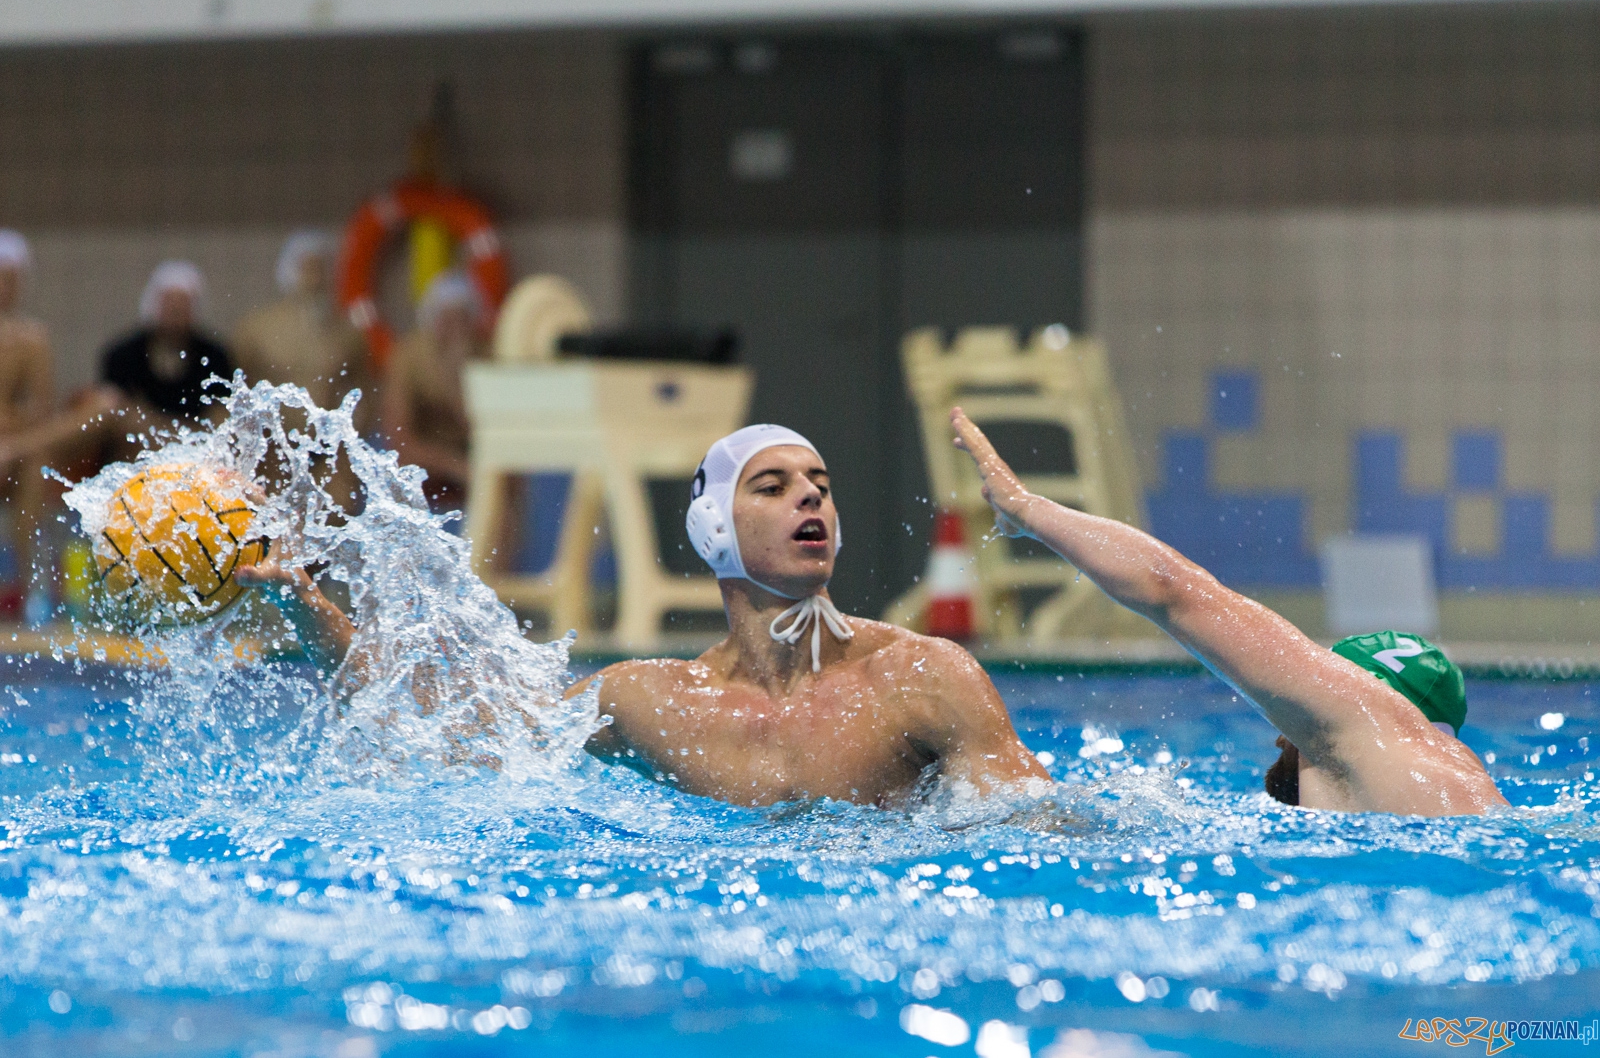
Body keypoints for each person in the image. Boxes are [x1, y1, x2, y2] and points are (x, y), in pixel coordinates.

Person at [237, 424, 1050, 807]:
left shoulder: (920, 678)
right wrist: (308, 605)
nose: (810, 496)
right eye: (773, 486)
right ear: (714, 529)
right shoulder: (651, 703)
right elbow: (445, 728)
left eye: (821, 485)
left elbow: (1037, 829)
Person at [949, 407, 1506, 817]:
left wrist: (1025, 509)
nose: (1282, 730)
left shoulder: (1360, 716)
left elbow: (1173, 590)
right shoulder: (1463, 784)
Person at [381, 270, 485, 512]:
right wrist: (453, 465)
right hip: (427, 460)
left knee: (506, 479)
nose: (454, 330)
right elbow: (399, 442)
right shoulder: (408, 358)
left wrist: (458, 379)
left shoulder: (485, 356)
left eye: (461, 320)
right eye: (447, 320)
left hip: (471, 456)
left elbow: (485, 432)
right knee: (399, 474)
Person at [232, 231, 370, 413]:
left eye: (322, 270)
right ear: (289, 273)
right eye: (309, 269)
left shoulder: (348, 335)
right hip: (273, 430)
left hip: (324, 431)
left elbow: (365, 398)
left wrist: (354, 427)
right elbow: (235, 392)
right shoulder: (255, 330)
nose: (316, 280)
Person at [100, 261, 234, 430]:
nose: (175, 312)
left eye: (182, 305)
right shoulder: (124, 356)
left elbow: (222, 413)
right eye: (169, 304)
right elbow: (113, 407)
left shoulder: (214, 356)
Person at [0, 230, 56, 600]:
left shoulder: (32, 338)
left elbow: (42, 412)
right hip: (9, 441)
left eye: (10, 280)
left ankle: (31, 586)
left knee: (37, 460)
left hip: (16, 448)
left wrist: (10, 443)